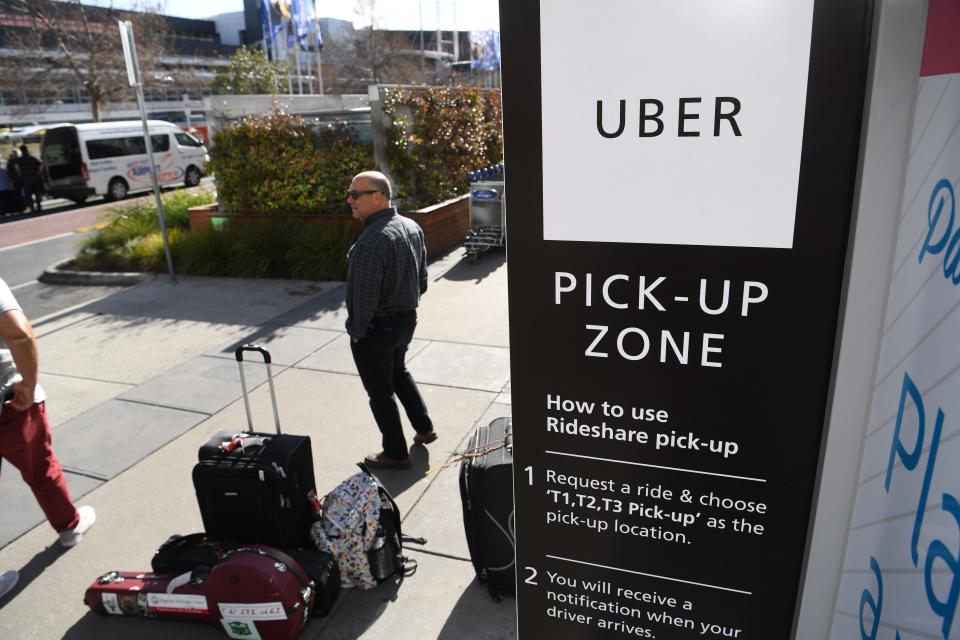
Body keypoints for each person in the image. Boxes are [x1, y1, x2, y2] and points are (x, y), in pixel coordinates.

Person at [345, 171, 437, 469]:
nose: (350, 200)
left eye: (356, 194)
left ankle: (396, 453)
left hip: (376, 329)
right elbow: (422, 280)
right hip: (406, 321)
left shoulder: (371, 243)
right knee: (398, 371)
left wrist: (357, 332)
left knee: (380, 392)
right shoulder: (410, 226)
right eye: (349, 194)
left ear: (379, 196)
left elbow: (362, 299)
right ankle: (424, 428)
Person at [0, 278, 95, 547]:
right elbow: (18, 334)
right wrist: (28, 384)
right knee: (41, 469)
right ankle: (69, 528)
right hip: (11, 404)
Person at [16, 145, 43, 213]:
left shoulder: (20, 159)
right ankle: (39, 206)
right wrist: (38, 174)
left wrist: (20, 174)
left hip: (26, 178)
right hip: (35, 177)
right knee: (37, 192)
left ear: (21, 151)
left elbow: (17, 168)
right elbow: (41, 166)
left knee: (28, 193)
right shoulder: (32, 158)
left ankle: (32, 208)